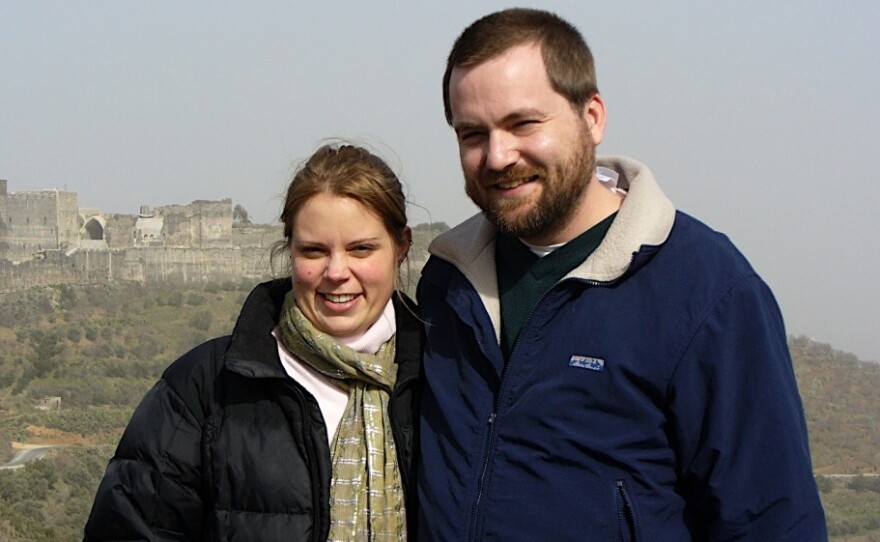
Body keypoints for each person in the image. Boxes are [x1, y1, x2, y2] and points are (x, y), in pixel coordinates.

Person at [417, 8, 827, 541]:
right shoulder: (447, 283)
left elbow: (771, 522)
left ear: (592, 116)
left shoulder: (708, 292)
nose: (498, 156)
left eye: (523, 123)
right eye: (472, 134)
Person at [84, 143, 422, 541]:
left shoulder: (446, 377)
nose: (336, 272)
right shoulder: (203, 388)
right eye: (313, 250)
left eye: (361, 249)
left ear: (401, 247)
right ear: (289, 250)